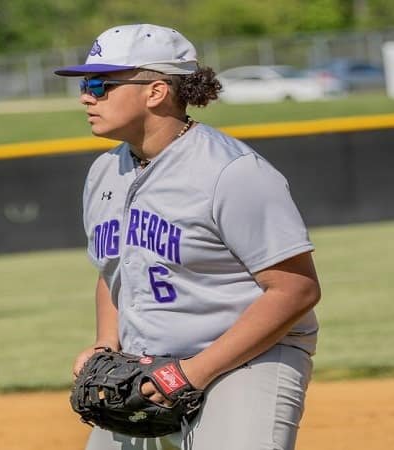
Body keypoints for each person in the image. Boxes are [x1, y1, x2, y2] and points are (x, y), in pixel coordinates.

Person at [55, 24, 321, 450]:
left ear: (156, 91)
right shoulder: (105, 172)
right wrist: (107, 344)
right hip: (146, 367)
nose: (86, 95)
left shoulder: (231, 172)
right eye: (86, 84)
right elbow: (114, 271)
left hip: (248, 359)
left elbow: (295, 289)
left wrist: (193, 372)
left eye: (100, 84)